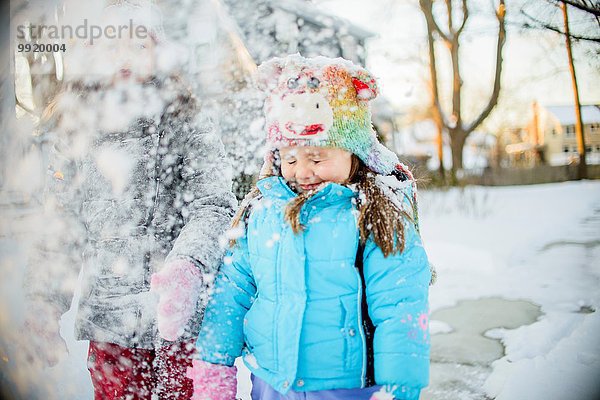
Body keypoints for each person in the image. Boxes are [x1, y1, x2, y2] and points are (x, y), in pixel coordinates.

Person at [182, 54, 431, 400]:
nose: (303, 171)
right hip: (271, 383)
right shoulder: (262, 211)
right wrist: (214, 364)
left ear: (353, 154)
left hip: (346, 387)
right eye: (290, 159)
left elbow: (399, 303)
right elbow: (231, 293)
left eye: (317, 158)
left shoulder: (374, 215)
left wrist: (399, 386)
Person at [22, 3, 236, 399]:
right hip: (111, 326)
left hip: (181, 323)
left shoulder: (186, 118)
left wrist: (186, 266)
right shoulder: (77, 131)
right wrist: (42, 303)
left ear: (159, 51)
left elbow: (215, 204)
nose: (122, 57)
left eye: (137, 44)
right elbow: (63, 226)